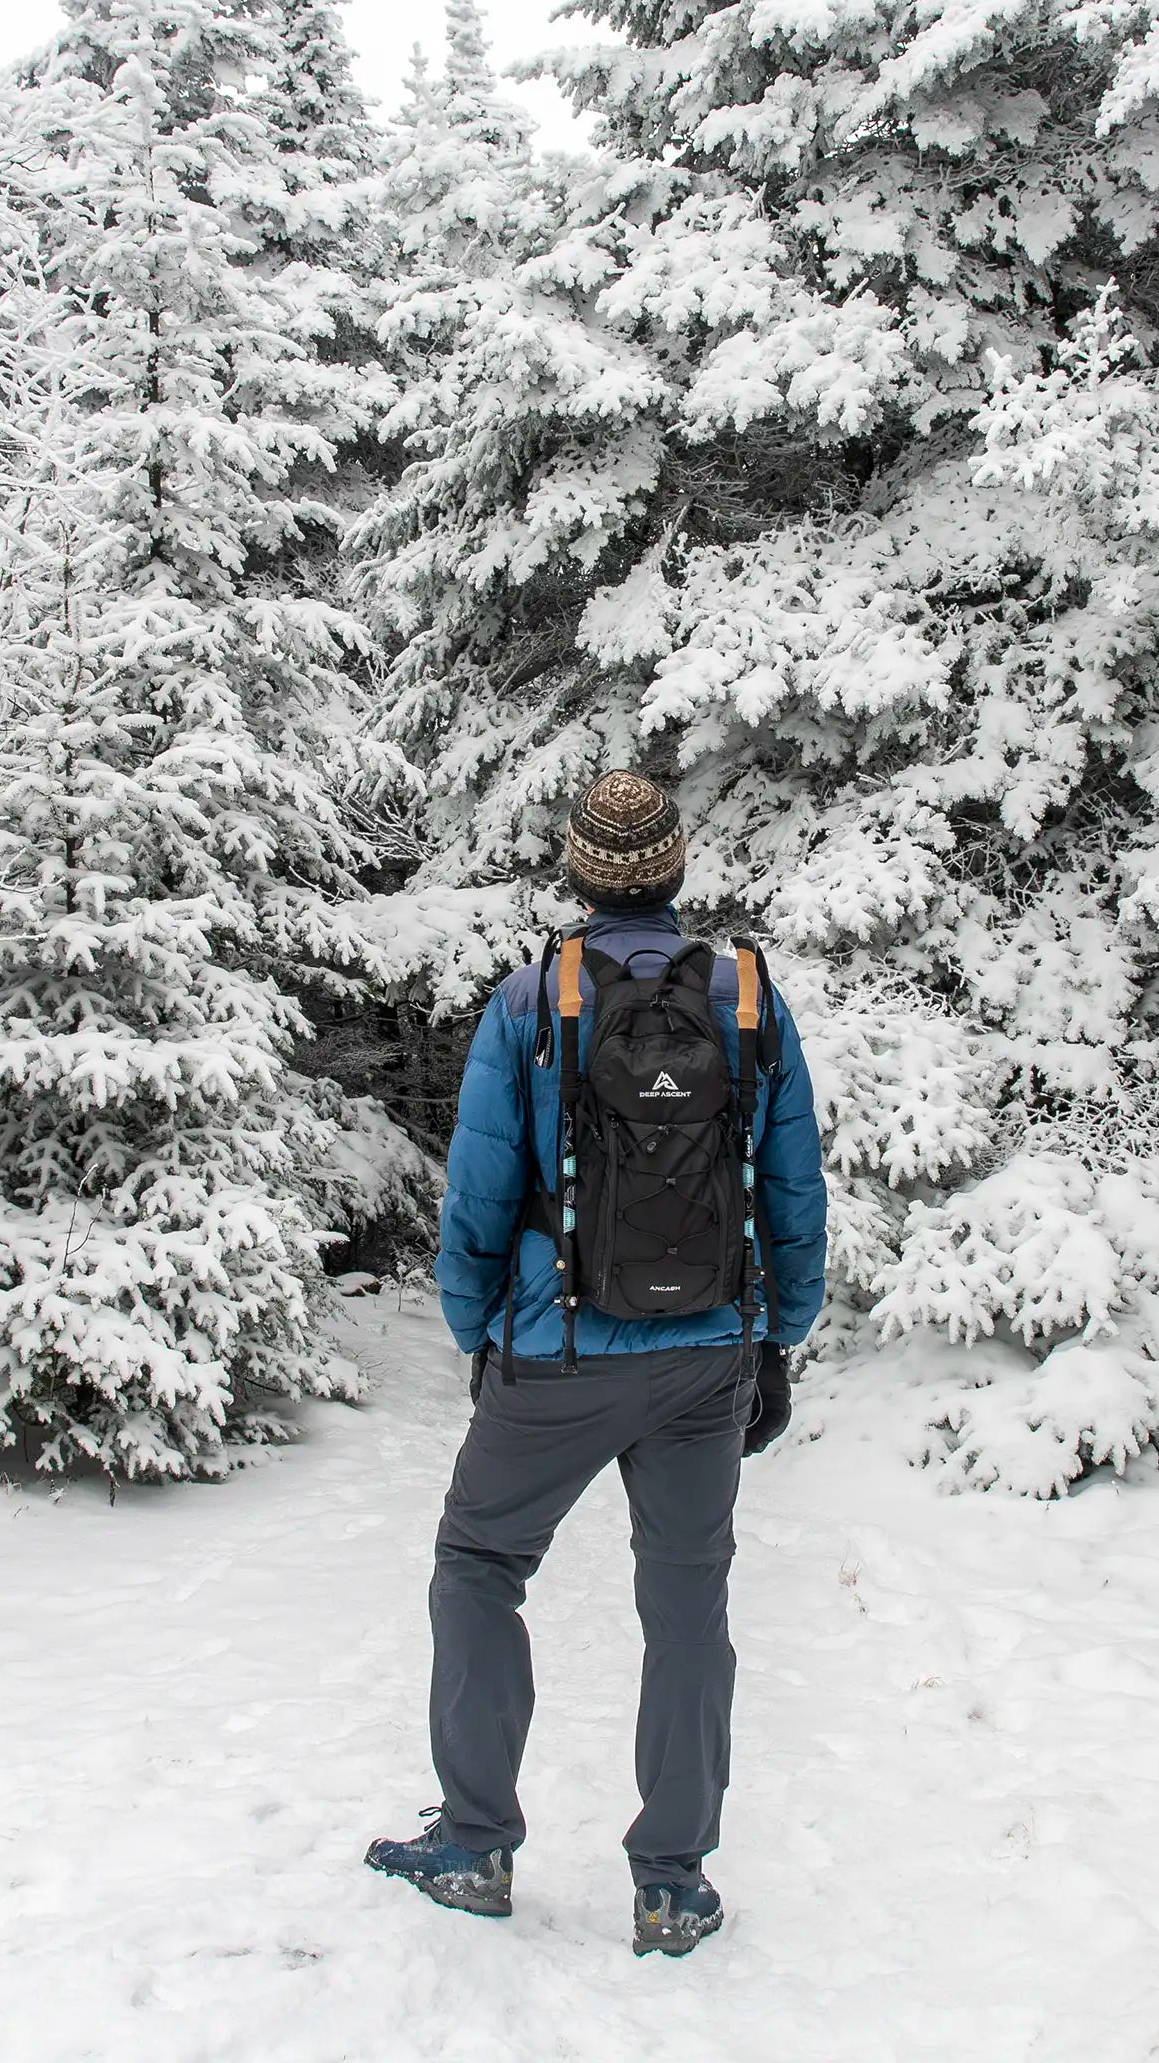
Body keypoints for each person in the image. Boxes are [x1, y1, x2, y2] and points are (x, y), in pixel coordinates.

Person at [363, 771, 827, 1960]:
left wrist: (478, 1334)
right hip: (708, 1358)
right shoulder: (749, 1002)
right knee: (687, 1605)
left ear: (577, 874)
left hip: (556, 1351)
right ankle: (672, 1881)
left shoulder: (531, 1000)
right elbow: (791, 1190)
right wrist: (779, 1337)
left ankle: (475, 1843)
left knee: (477, 1564)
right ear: (676, 874)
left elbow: (475, 1190)